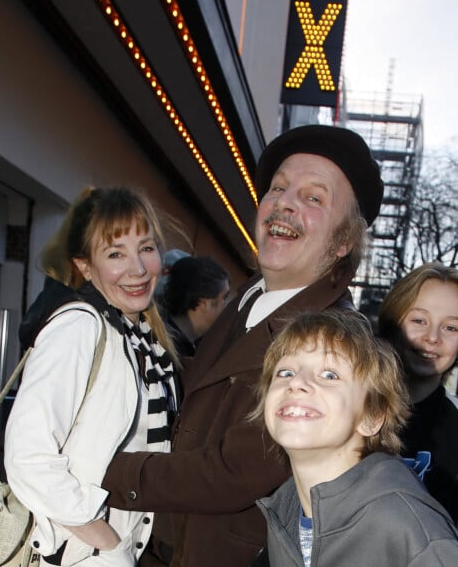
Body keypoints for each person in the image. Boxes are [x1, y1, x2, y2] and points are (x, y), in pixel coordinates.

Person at [101, 124, 385, 566]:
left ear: (345, 241)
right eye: (278, 188)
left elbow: (232, 473)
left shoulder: (336, 339)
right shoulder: (252, 296)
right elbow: (210, 385)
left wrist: (101, 469)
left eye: (314, 198)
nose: (285, 203)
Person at [4, 186, 179, 566]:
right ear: (85, 266)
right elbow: (28, 455)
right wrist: (104, 538)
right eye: (116, 253)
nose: (137, 268)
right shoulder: (80, 328)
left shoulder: (139, 337)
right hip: (79, 552)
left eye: (146, 248)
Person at [251, 310, 458, 567]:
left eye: (329, 375)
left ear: (372, 417)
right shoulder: (285, 508)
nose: (297, 383)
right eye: (285, 373)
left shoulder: (407, 527)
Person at [378, 262, 458, 524]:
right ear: (393, 322)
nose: (432, 337)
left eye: (451, 327)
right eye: (419, 320)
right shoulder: (347, 405)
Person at [159, 255, 230, 360]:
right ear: (204, 303)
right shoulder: (166, 349)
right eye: (225, 297)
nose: (227, 305)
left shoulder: (190, 349)